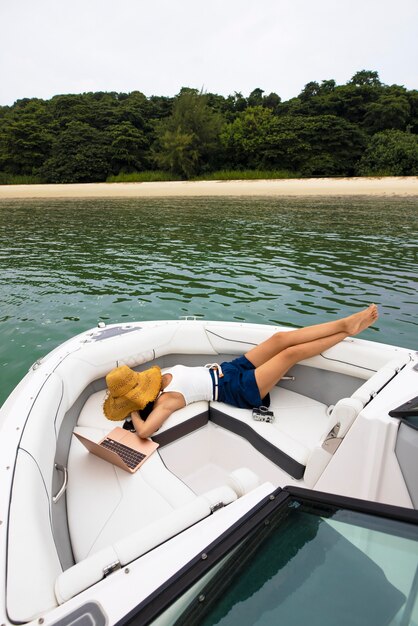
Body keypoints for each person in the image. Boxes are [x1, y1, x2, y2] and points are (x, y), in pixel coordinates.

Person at [103, 305, 378, 439]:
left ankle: (342, 322)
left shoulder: (160, 376)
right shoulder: (166, 401)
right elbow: (144, 433)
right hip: (238, 389)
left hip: (229, 369)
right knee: (289, 354)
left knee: (281, 339)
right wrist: (134, 413)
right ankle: (346, 331)